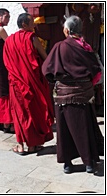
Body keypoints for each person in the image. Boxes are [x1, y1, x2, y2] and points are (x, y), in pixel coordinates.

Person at [42, 15, 104, 173]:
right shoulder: (86, 47)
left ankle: (68, 164)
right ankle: (89, 163)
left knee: (64, 129)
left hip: (63, 94)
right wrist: (87, 85)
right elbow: (97, 72)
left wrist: (57, 80)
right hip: (83, 95)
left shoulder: (59, 47)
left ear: (67, 30)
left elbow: (46, 70)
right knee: (85, 127)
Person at [3, 13, 54, 154]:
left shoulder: (9, 41)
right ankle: (33, 144)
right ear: (24, 25)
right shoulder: (32, 38)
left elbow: (7, 63)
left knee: (19, 113)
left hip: (16, 83)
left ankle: (21, 145)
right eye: (32, 23)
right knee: (34, 112)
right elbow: (45, 57)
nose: (34, 25)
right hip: (32, 82)